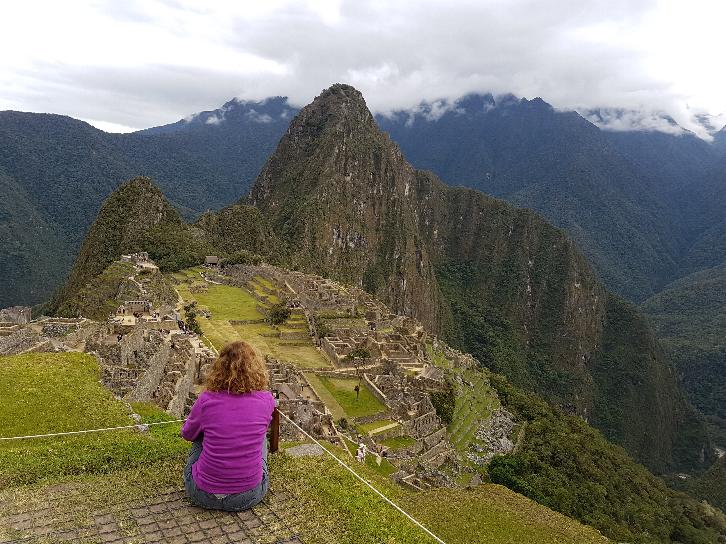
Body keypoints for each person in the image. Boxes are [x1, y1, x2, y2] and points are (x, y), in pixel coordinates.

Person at [182, 340, 275, 511]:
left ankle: (210, 474)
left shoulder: (206, 400)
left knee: (199, 437)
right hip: (249, 495)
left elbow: (187, 434)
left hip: (202, 494)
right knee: (261, 438)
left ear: (220, 367)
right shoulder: (266, 400)